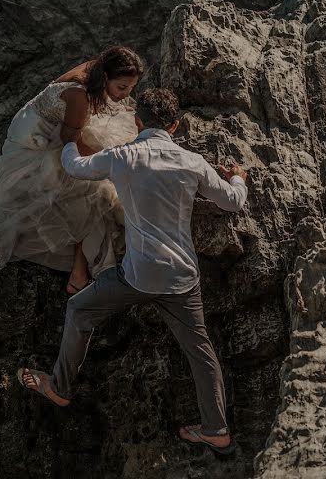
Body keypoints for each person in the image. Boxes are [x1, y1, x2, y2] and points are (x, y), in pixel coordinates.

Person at [16, 88, 248, 455]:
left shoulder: (124, 156)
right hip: (181, 280)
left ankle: (59, 387)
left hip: (136, 276)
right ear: (175, 125)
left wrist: (71, 141)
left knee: (79, 310)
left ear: (137, 122)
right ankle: (217, 431)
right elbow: (232, 202)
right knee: (201, 353)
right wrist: (237, 177)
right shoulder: (192, 162)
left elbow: (75, 167)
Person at [0, 46, 143, 296]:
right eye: (122, 88)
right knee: (21, 199)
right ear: (105, 78)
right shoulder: (80, 94)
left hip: (56, 129)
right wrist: (109, 165)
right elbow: (71, 139)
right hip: (36, 142)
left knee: (97, 189)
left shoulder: (98, 69)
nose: (125, 95)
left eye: (131, 88)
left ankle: (79, 268)